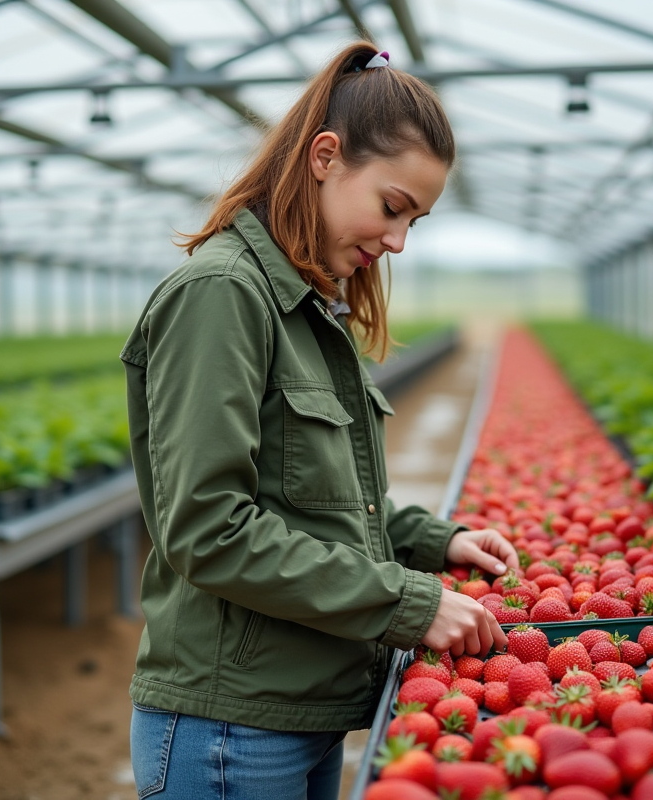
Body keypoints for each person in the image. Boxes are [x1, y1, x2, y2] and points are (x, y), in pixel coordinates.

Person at [120, 41, 518, 800]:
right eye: (392, 207)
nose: (397, 241)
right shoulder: (222, 296)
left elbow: (315, 499)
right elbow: (210, 529)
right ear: (325, 156)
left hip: (298, 710)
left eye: (417, 222)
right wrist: (408, 602)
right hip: (230, 730)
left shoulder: (308, 304)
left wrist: (439, 542)